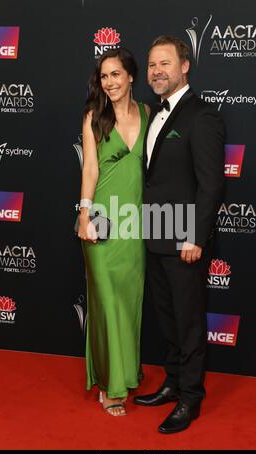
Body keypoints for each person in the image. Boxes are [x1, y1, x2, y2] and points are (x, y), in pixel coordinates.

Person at [134, 36, 225, 433]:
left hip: (184, 239)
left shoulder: (201, 116)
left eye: (165, 63)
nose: (157, 71)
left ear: (184, 66)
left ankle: (190, 398)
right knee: (167, 318)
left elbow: (211, 185)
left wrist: (195, 236)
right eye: (152, 65)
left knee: (188, 322)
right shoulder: (154, 112)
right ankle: (172, 382)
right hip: (154, 233)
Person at [78, 48, 149, 416]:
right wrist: (84, 213)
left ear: (131, 76)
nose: (110, 82)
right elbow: (89, 169)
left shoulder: (150, 115)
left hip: (135, 224)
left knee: (128, 303)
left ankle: (125, 371)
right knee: (106, 305)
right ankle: (111, 385)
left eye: (116, 74)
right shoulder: (94, 117)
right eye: (104, 77)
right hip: (102, 222)